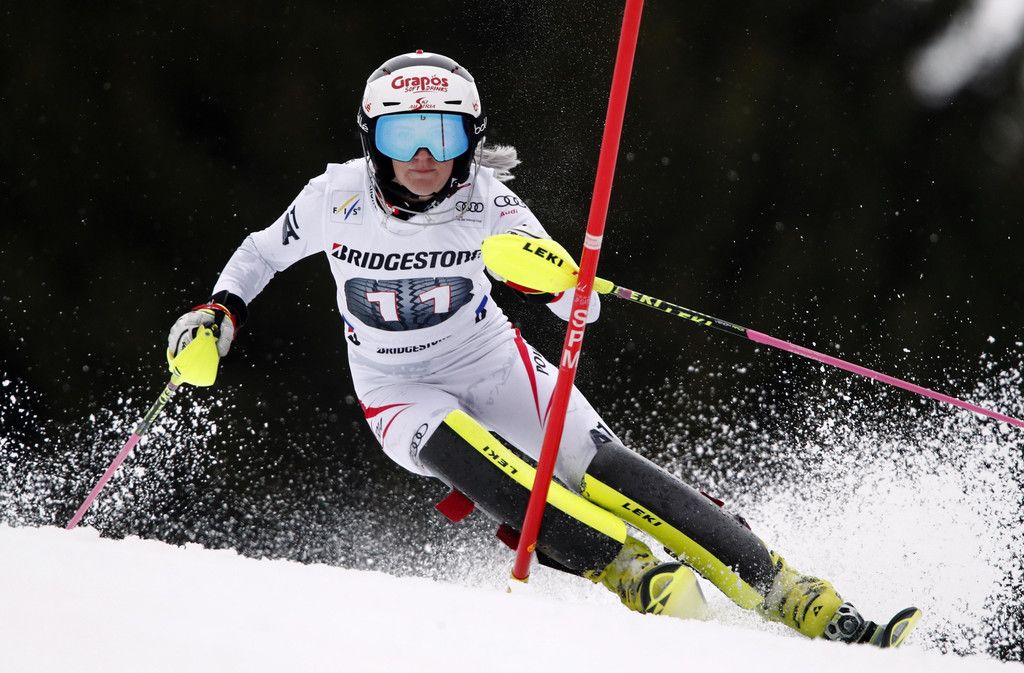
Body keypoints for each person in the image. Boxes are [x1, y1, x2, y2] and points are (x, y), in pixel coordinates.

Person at [168, 50, 918, 646]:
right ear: (372, 141)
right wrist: (219, 312)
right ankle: (633, 575)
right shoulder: (333, 197)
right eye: (402, 136)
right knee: (475, 460)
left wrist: (566, 289)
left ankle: (795, 593)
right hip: (396, 388)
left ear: (471, 141)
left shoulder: (488, 202)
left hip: (492, 362)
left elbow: (564, 290)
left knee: (607, 470)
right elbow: (261, 253)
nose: (424, 157)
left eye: (445, 136)